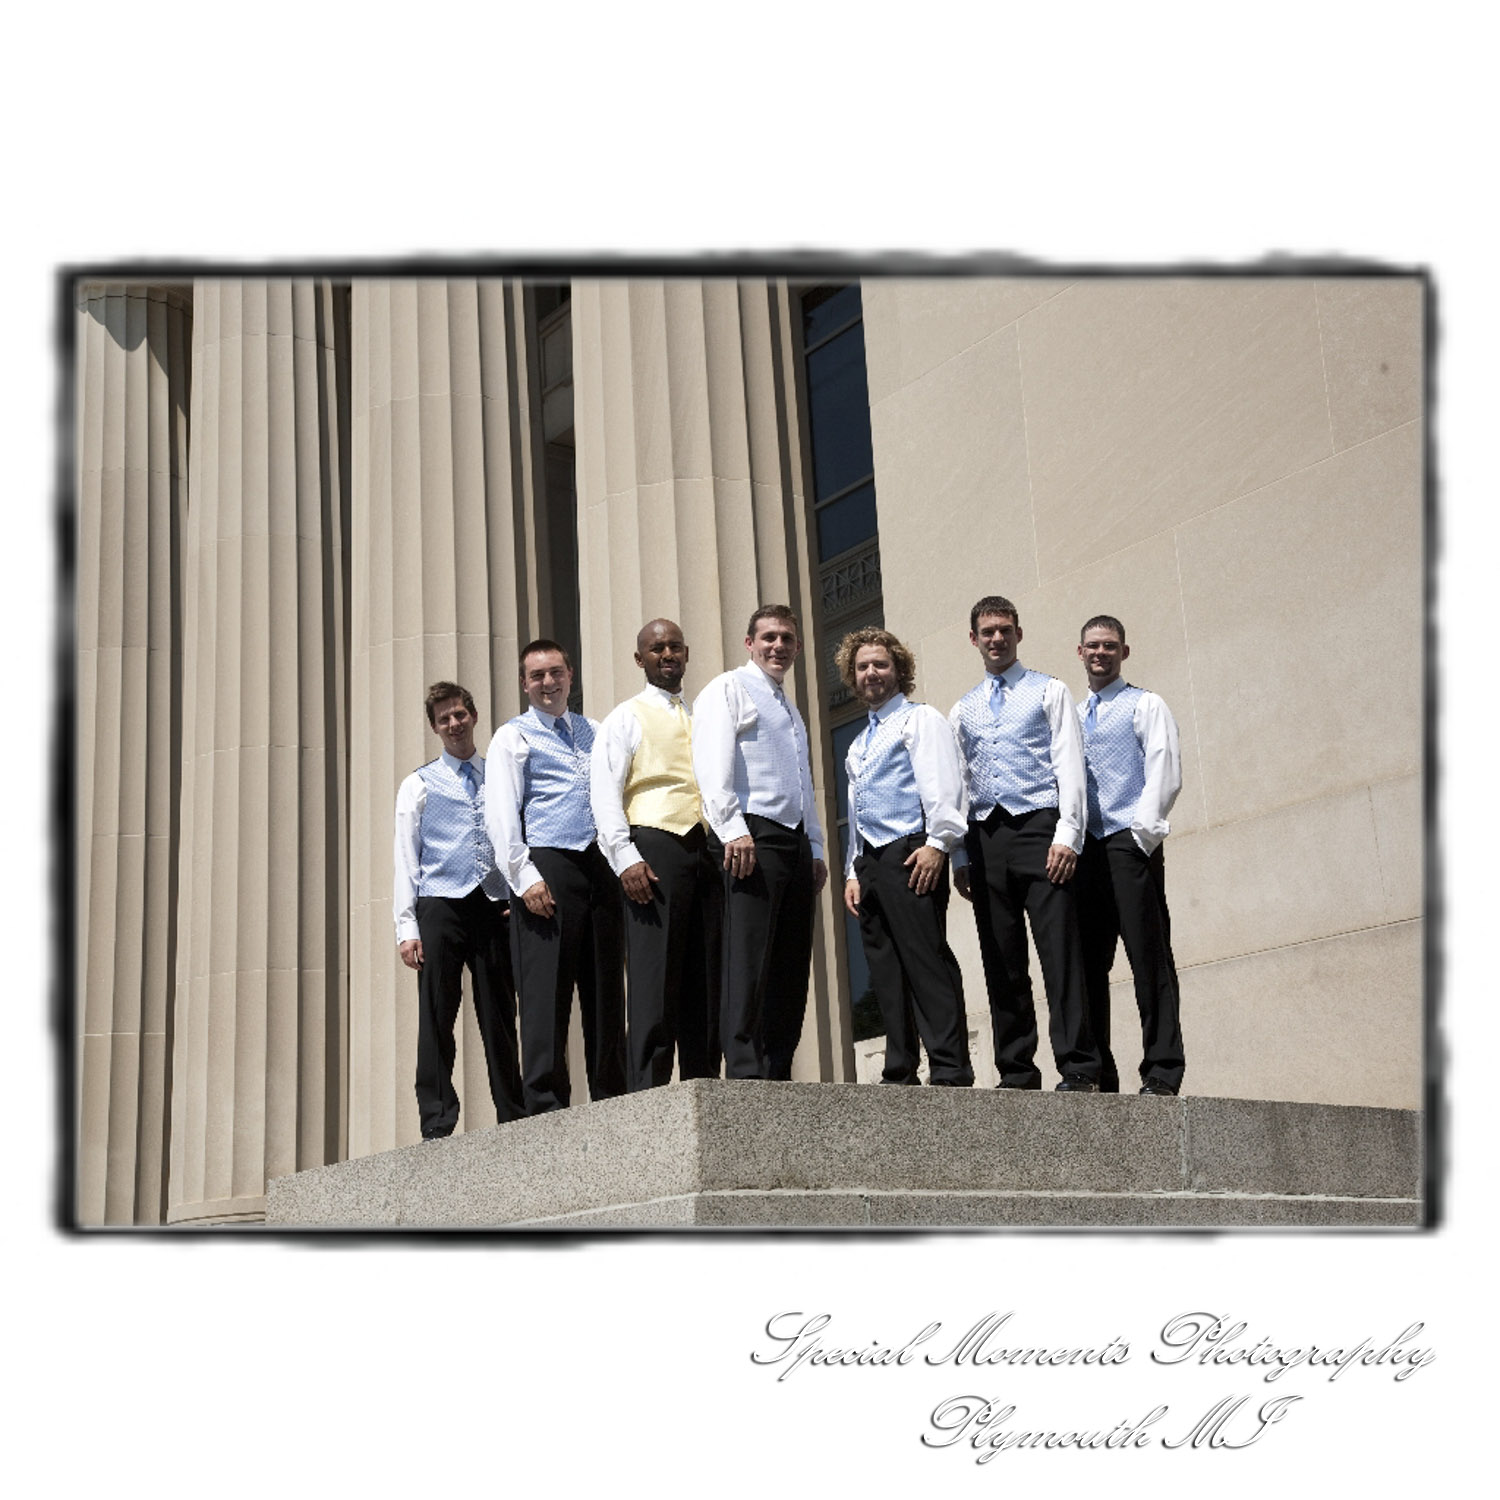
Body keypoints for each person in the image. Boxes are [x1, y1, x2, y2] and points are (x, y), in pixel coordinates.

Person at [949, 595, 1103, 1091]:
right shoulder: (962, 708)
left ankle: (1079, 1066)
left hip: (1041, 830)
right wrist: (959, 854)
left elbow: (1071, 765)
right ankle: (1016, 1070)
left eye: (1005, 630)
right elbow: (957, 783)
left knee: (1060, 952)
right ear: (974, 640)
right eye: (987, 632)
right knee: (1002, 958)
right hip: (984, 837)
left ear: (1019, 633)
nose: (997, 639)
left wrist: (1069, 834)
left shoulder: (1049, 691)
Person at [484, 640, 626, 1113]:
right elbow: (501, 814)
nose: (548, 682)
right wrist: (524, 877)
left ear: (570, 674)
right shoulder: (513, 737)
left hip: (599, 862)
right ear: (525, 683)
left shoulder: (598, 731)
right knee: (546, 991)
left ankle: (611, 1093)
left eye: (556, 672)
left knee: (605, 985)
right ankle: (545, 1104)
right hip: (548, 862)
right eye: (537, 675)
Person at [692, 604, 828, 1079]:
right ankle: (745, 1069)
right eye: (768, 637)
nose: (778, 646)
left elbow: (803, 783)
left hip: (792, 840)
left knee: (790, 962)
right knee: (746, 957)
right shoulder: (728, 688)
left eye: (787, 638)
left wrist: (814, 846)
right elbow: (713, 766)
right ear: (749, 643)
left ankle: (777, 1067)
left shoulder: (790, 709)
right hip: (751, 835)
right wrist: (732, 829)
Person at [591, 618, 723, 1091]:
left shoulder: (702, 717)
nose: (666, 655)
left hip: (704, 846)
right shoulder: (625, 717)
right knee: (653, 973)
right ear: (639, 658)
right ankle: (647, 1088)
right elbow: (604, 793)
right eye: (655, 648)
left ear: (686, 653)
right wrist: (624, 858)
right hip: (653, 843)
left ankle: (704, 1080)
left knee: (705, 971)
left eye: (674, 647)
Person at [837, 627, 973, 1087]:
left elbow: (944, 788)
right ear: (852, 678)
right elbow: (856, 811)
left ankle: (951, 1068)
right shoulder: (857, 744)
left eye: (880, 664)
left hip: (911, 852)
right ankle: (899, 1070)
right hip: (871, 863)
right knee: (885, 969)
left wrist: (938, 845)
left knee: (926, 959)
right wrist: (852, 870)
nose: (871, 673)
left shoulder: (920, 720)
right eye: (862, 667)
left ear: (898, 669)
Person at [393, 681, 524, 1140]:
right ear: (435, 727)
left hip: (491, 906)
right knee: (436, 1016)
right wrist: (406, 926)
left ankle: (513, 1112)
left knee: (499, 1014)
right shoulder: (418, 784)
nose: (454, 724)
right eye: (444, 718)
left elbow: (514, 838)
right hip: (439, 905)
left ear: (473, 715)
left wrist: (515, 894)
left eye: (460, 714)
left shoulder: (500, 775)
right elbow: (406, 858)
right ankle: (436, 1120)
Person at [1074, 615, 1187, 1095]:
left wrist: (1140, 836)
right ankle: (1099, 1072)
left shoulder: (1146, 704)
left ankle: (1161, 1070)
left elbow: (1164, 768)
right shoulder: (1072, 715)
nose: (1101, 652)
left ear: (1124, 651)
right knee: (1086, 965)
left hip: (1127, 842)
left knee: (1148, 957)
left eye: (1110, 645)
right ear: (1079, 653)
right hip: (1084, 852)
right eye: (1093, 646)